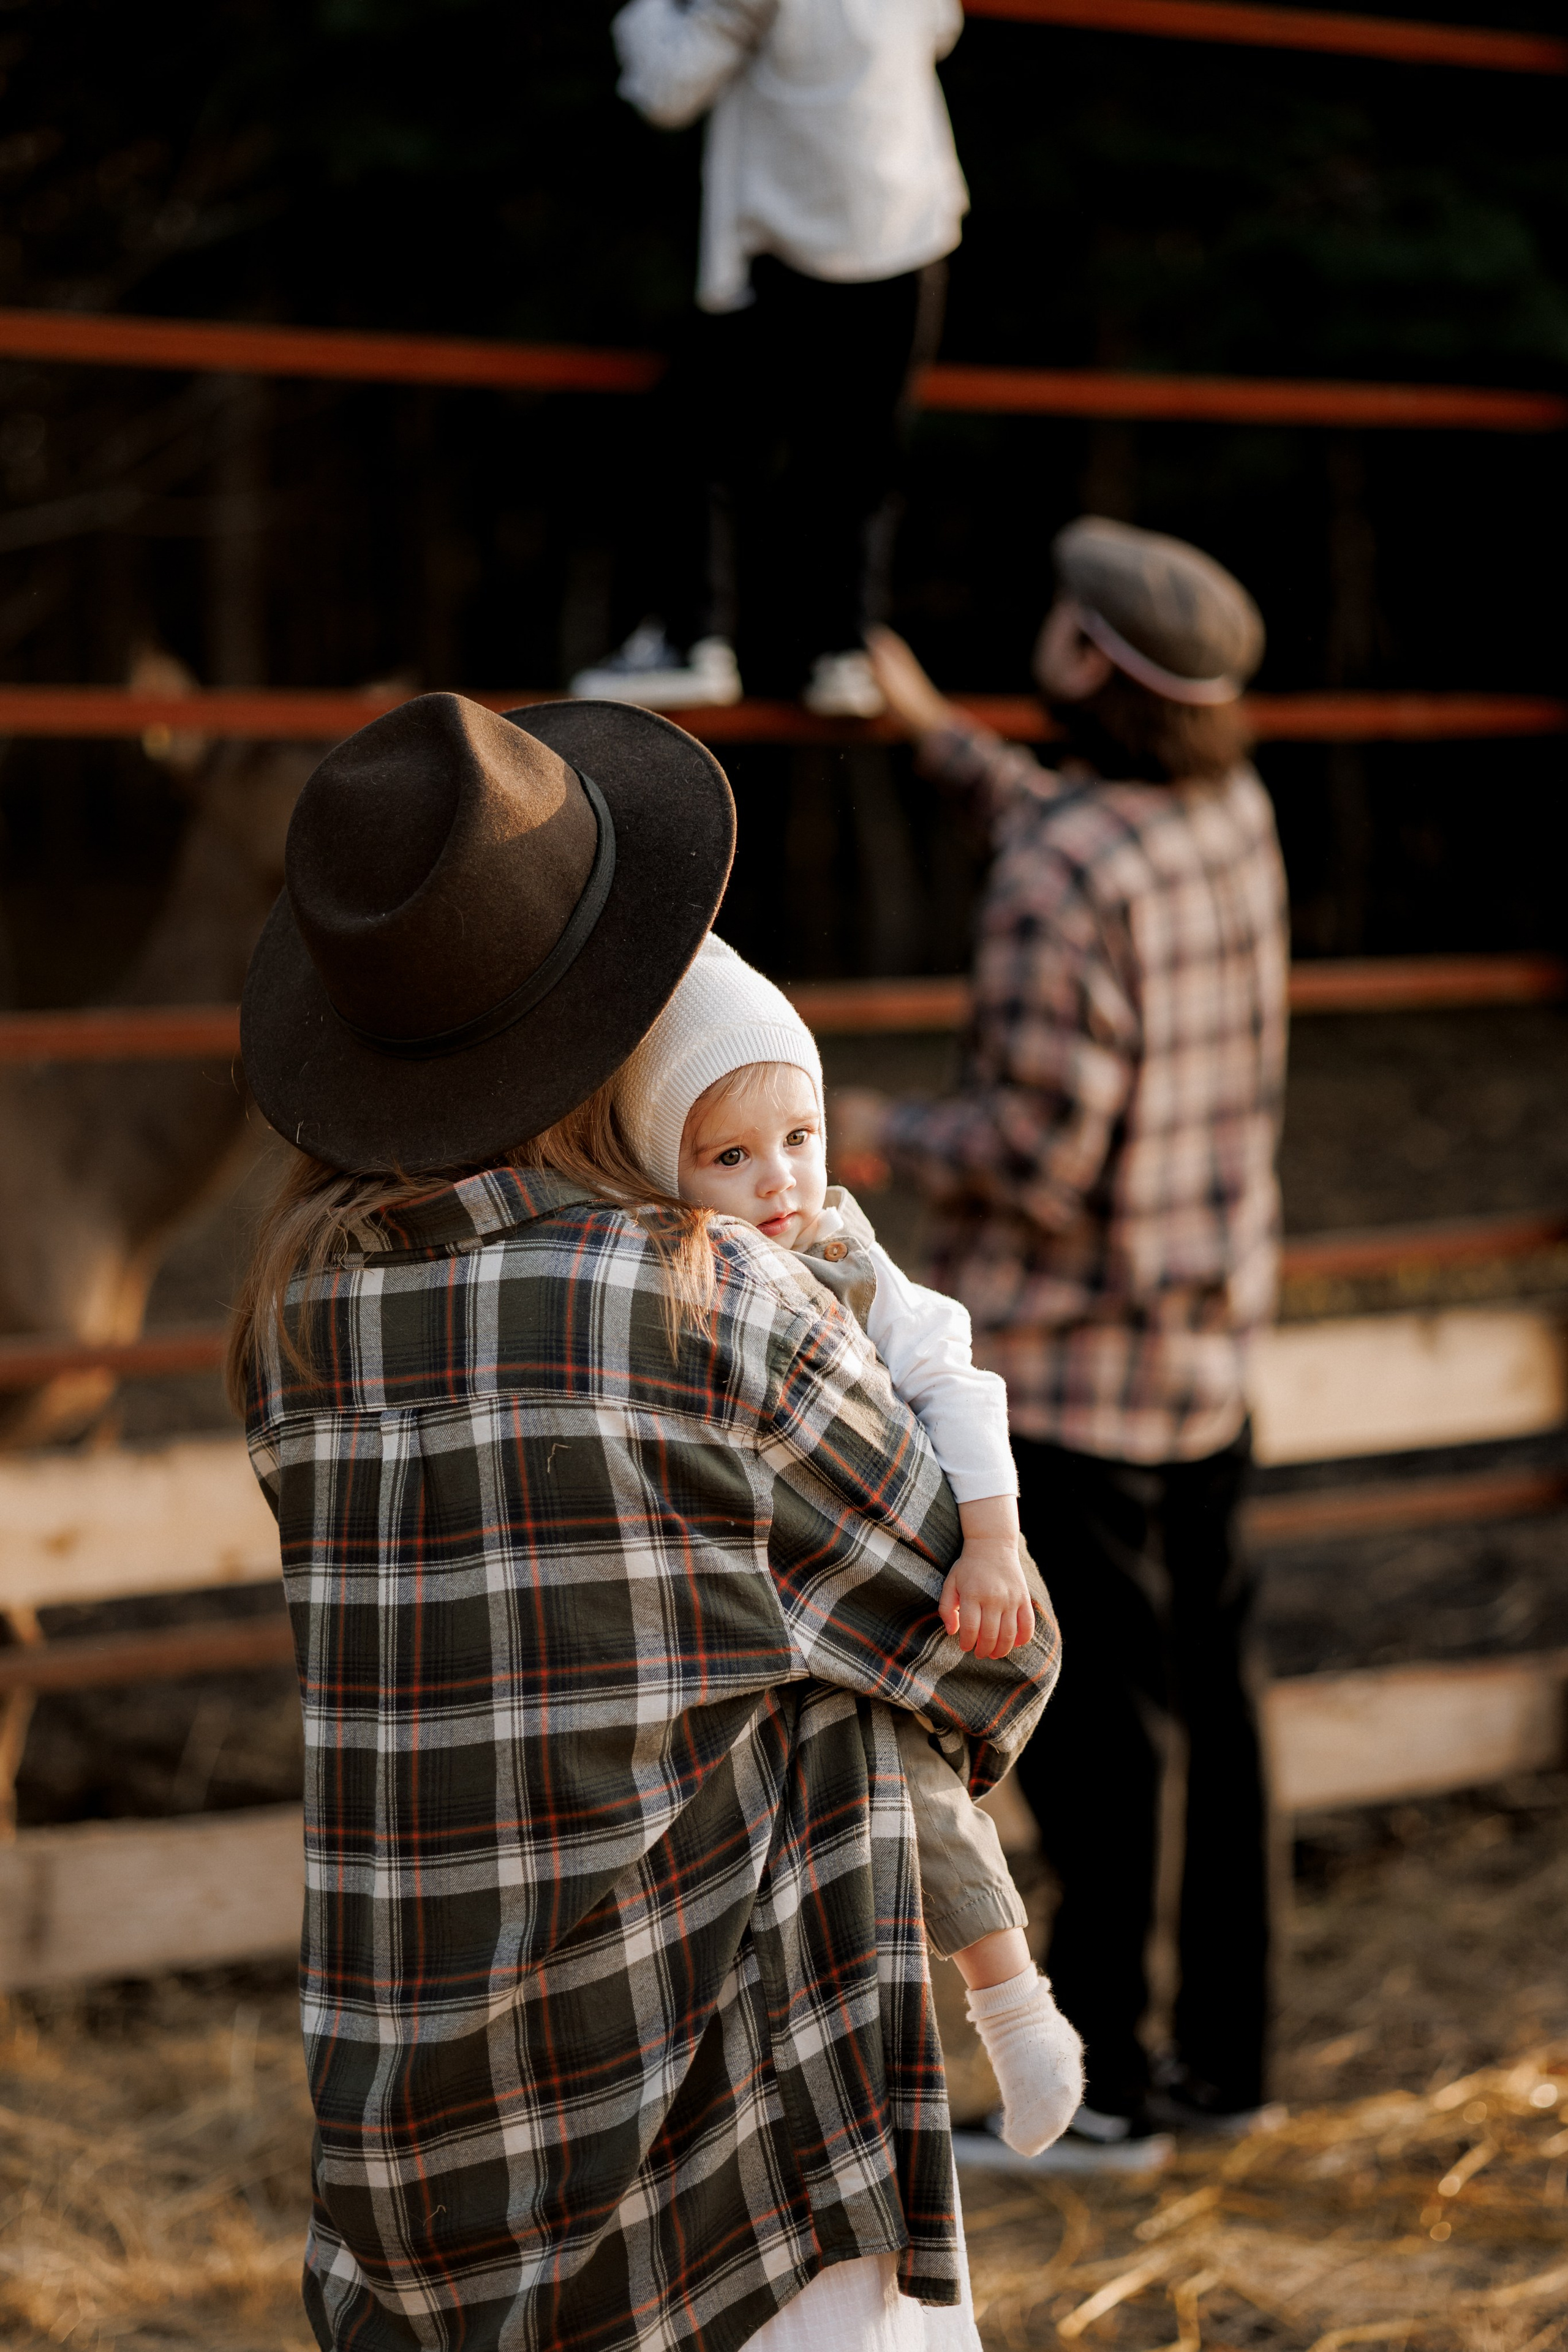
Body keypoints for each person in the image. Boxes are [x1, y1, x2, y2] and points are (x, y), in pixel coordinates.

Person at [228, 688, 1060, 2349]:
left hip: (414, 2171)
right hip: (716, 2154)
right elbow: (980, 1663)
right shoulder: (697, 1300)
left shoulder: (300, 1316)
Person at [841, 516, 1289, 2152]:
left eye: (1064, 622)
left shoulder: (1063, 869)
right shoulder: (1227, 813)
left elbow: (1032, 1159)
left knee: (1098, 1743)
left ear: (1094, 664)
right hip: (1211, 1347)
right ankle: (1225, 2070)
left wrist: (876, 1126)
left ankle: (1105, 2096)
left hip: (1082, 1368)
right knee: (1219, 1714)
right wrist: (945, 745)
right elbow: (1073, 849)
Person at [610, 932, 1085, 2158]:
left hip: (859, 1598)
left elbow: (954, 1381)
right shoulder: (672, 1278)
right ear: (666, 1168)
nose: (778, 1177)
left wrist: (988, 1542)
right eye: (730, 1156)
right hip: (744, 1614)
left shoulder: (851, 1266)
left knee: (907, 1789)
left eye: (799, 1138)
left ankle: (1011, 2003)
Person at [570, 0, 968, 718]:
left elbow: (666, 90)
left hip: (792, 242)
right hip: (908, 231)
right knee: (860, 457)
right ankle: (841, 650)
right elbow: (941, 29)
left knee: (696, 438)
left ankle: (694, 639)